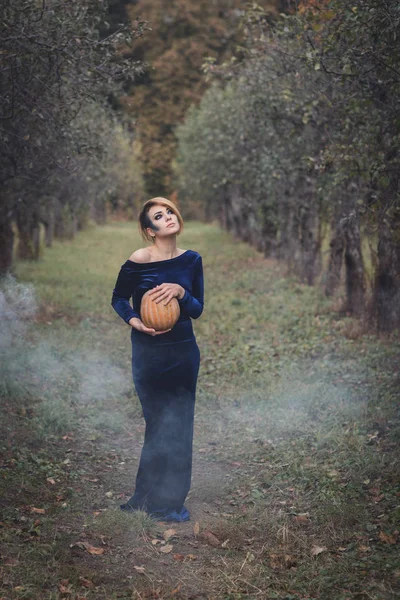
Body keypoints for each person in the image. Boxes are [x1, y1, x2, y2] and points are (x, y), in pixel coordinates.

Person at [111, 197, 204, 522]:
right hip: (148, 352)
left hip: (182, 352)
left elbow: (197, 309)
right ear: (150, 231)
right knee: (157, 424)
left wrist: (181, 292)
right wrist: (135, 321)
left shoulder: (192, 260)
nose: (167, 218)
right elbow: (119, 297)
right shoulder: (139, 259)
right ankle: (144, 496)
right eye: (158, 216)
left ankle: (170, 503)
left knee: (180, 426)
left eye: (169, 212)